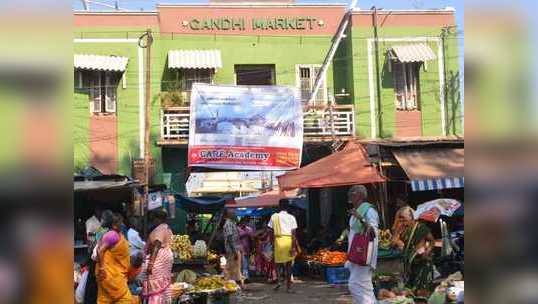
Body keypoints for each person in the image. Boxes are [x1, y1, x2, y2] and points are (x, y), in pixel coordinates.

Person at [345, 185, 379, 304]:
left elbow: (373, 232)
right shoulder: (357, 211)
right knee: (364, 287)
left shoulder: (369, 211)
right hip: (355, 254)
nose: (349, 196)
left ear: (359, 196)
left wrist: (361, 219)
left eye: (352, 194)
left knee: (354, 284)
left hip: (364, 254)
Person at [95, 213, 138, 304]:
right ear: (114, 225)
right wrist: (102, 268)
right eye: (119, 223)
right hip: (111, 275)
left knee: (106, 298)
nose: (121, 224)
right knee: (125, 299)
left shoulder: (115, 234)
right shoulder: (112, 235)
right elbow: (100, 251)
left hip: (111, 274)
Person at [391, 206, 435, 291]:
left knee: (421, 292)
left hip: (423, 264)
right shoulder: (403, 230)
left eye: (405, 220)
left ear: (411, 218)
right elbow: (392, 243)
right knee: (410, 291)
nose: (403, 223)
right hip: (410, 265)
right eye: (401, 220)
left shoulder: (421, 227)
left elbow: (432, 241)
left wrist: (428, 250)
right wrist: (396, 232)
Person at [141, 209, 174, 304]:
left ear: (158, 219)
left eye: (153, 219)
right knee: (161, 288)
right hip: (164, 259)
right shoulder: (166, 227)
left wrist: (151, 264)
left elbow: (156, 246)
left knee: (156, 288)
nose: (152, 221)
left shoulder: (160, 229)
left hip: (158, 260)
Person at [268, 199, 299, 293]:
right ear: (288, 207)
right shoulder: (292, 217)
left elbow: (270, 231)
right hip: (288, 241)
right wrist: (293, 247)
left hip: (278, 241)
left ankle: (278, 281)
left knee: (277, 264)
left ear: (279, 206)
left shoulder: (274, 217)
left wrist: (272, 243)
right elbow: (294, 234)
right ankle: (288, 287)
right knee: (289, 266)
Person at [222, 209, 245, 288]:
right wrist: (235, 251)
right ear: (229, 215)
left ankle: (238, 283)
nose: (235, 215)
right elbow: (230, 238)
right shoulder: (228, 224)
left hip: (234, 249)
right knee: (230, 268)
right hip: (232, 250)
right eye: (234, 213)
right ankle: (227, 285)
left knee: (236, 267)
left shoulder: (232, 223)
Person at [238, 216, 255, 282]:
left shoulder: (249, 229)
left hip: (247, 249)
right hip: (240, 249)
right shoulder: (237, 229)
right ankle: (245, 277)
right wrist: (245, 234)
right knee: (243, 264)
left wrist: (252, 248)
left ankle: (245, 277)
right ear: (241, 222)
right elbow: (236, 237)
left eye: (246, 222)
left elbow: (252, 239)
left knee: (246, 264)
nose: (245, 223)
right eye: (244, 222)